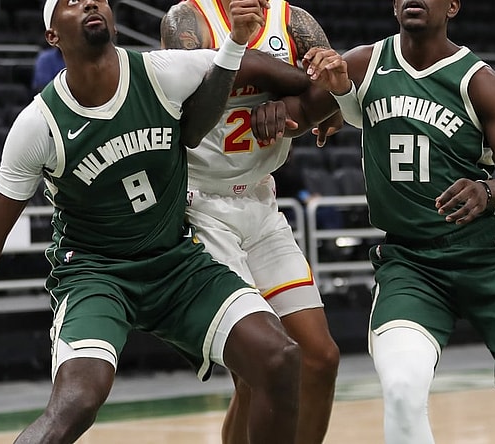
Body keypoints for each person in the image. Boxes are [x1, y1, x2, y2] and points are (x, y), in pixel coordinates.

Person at [0, 1, 305, 443]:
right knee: (77, 402)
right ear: (53, 35)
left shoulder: (161, 71)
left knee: (279, 357)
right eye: (70, 1)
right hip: (96, 274)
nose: (90, 2)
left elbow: (245, 63)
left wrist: (308, 93)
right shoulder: (39, 124)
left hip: (175, 263)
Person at [250, 0, 495, 442]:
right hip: (411, 264)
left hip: (488, 259)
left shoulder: (478, 81)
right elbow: (300, 115)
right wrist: (278, 110)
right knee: (403, 389)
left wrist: (488, 190)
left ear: (454, 6)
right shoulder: (364, 63)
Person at [160, 1, 340, 442]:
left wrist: (290, 108)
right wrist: (272, 78)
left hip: (261, 203)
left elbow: (330, 103)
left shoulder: (295, 20)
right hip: (200, 205)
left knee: (320, 357)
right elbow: (186, 114)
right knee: (258, 367)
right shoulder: (187, 20)